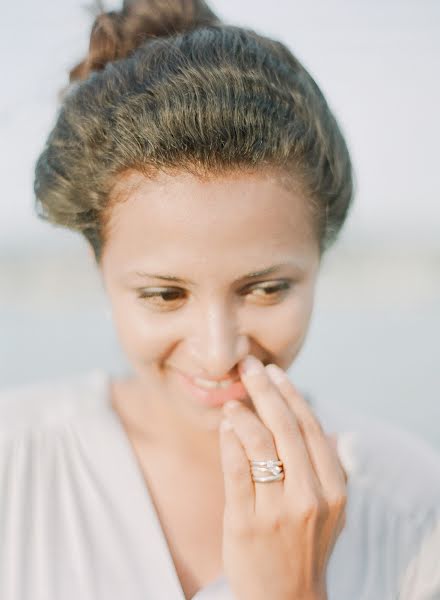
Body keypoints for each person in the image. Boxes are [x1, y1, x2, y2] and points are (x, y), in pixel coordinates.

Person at [1, 1, 439, 598]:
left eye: (266, 289)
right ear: (98, 267)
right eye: (164, 294)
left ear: (320, 258)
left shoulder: (414, 506)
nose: (216, 353)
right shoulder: (14, 463)